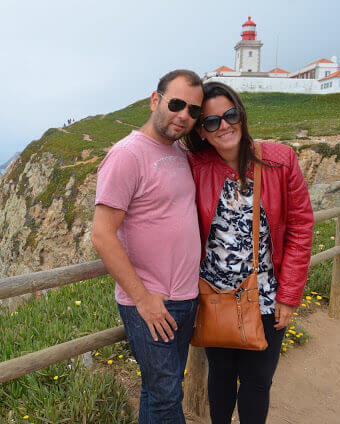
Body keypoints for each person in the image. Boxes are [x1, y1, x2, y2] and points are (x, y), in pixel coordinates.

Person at [184, 81, 314, 424]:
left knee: (257, 381)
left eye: (229, 115)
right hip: (215, 295)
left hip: (268, 296)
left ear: (241, 114)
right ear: (202, 132)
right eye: (211, 122)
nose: (223, 125)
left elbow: (301, 228)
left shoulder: (281, 159)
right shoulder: (197, 166)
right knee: (221, 378)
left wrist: (289, 296)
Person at [92, 69, 204, 423]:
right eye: (176, 103)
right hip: (152, 301)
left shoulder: (180, 151)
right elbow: (102, 234)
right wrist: (143, 299)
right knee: (167, 396)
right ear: (155, 100)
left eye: (193, 110)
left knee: (157, 392)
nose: (184, 115)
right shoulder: (127, 154)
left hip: (184, 297)